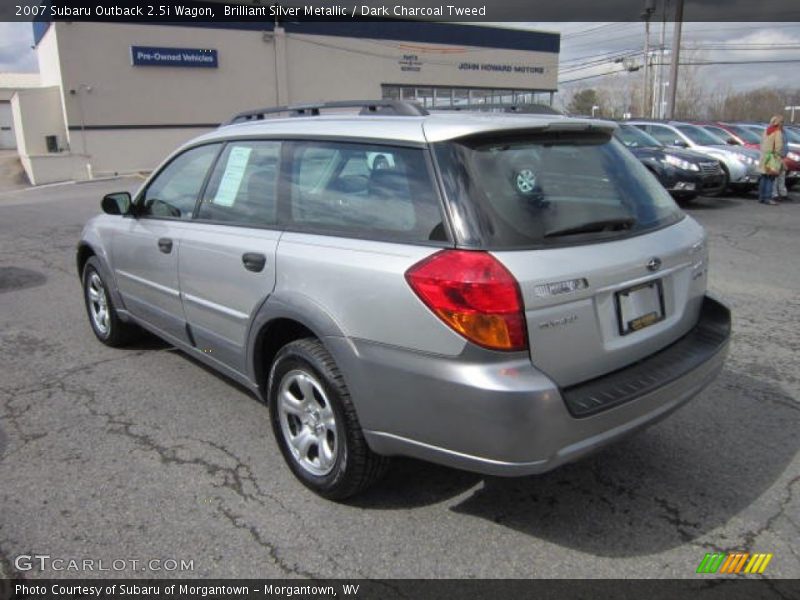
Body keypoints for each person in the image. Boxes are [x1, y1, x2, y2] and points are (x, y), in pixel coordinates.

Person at [758, 115, 784, 206]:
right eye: (782, 122)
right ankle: (768, 198)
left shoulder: (766, 130)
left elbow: (761, 143)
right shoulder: (778, 132)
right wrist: (778, 156)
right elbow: (778, 146)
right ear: (778, 123)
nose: (782, 124)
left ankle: (761, 197)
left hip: (764, 156)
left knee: (763, 177)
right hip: (772, 157)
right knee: (770, 178)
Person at [772, 119, 791, 202]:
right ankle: (774, 194)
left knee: (782, 176)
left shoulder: (784, 132)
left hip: (783, 156)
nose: (782, 124)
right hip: (776, 156)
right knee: (775, 177)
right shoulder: (774, 132)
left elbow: (785, 144)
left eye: (782, 122)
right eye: (780, 122)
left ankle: (783, 193)